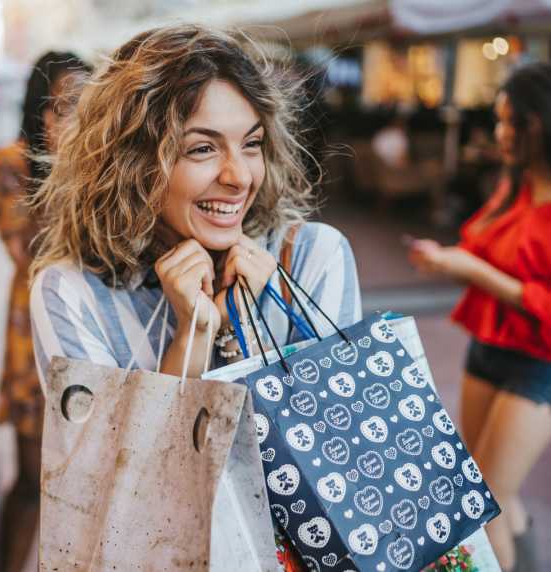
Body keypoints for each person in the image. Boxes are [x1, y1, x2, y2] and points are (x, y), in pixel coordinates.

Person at [28, 22, 361, 551]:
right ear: (134, 161)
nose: (239, 177)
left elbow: (350, 455)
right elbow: (112, 505)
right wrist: (192, 339)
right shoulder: (72, 294)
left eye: (250, 144)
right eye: (203, 149)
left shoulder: (311, 257)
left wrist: (268, 315)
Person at [409, 62, 551, 572]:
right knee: (490, 488)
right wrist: (449, 260)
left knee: (484, 500)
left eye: (513, 121)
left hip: (539, 366)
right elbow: (487, 256)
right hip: (489, 349)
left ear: (542, 123)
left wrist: (472, 268)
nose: (501, 133)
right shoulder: (514, 186)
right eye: (500, 120)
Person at [0, 50, 91, 572]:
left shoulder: (101, 167)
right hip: (32, 335)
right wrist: (61, 160)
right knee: (31, 480)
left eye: (86, 104)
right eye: (66, 105)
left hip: (91, 334)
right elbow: (35, 249)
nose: (78, 117)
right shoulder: (11, 164)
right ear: (40, 110)